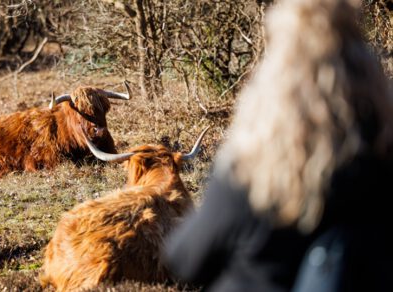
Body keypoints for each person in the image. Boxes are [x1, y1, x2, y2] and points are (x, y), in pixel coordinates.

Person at [163, 0, 393, 291]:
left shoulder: (249, 172)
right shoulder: (382, 169)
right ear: (373, 81)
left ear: (270, 89)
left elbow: (184, 259)